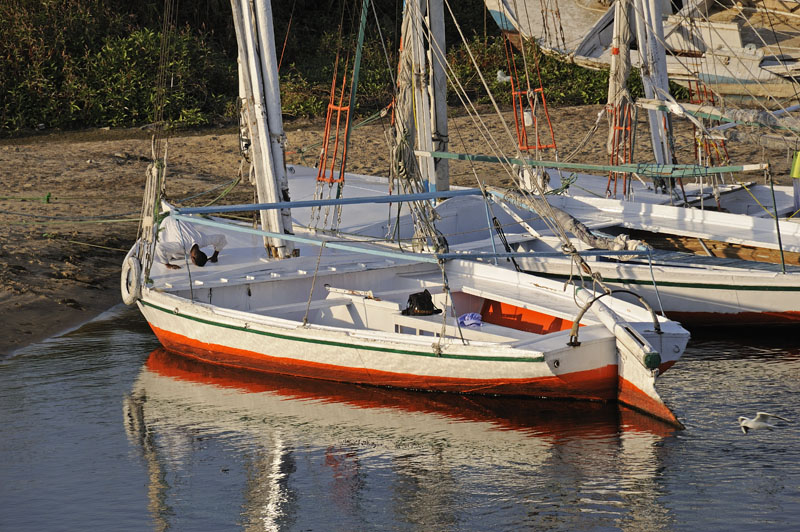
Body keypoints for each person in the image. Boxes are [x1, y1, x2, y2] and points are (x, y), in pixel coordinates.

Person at [155, 215, 227, 270]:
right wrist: (168, 265)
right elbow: (160, 247)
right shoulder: (179, 245)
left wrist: (215, 256)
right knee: (168, 254)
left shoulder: (203, 240)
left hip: (182, 219)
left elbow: (221, 238)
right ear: (192, 259)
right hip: (169, 222)